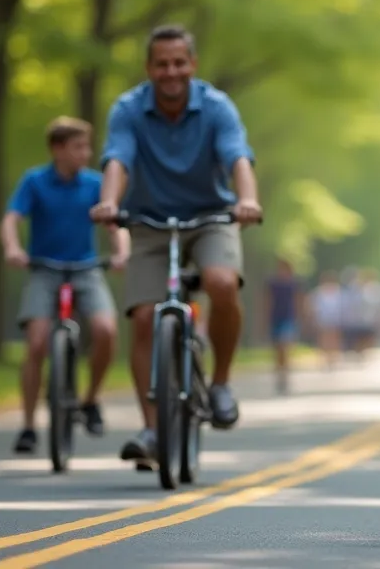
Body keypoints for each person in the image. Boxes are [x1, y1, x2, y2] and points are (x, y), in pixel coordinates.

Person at [89, 24, 263, 467]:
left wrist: (247, 200)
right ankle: (151, 428)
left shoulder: (216, 106)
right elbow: (117, 160)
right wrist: (109, 202)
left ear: (193, 65)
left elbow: (237, 157)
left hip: (211, 216)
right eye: (161, 64)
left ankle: (220, 383)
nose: (171, 72)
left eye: (179, 63)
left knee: (222, 283)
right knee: (145, 316)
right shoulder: (128, 109)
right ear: (149, 68)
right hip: (148, 219)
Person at [1, 117, 131, 454]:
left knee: (106, 330)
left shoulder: (94, 184)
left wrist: (120, 253)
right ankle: (29, 425)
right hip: (44, 269)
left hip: (86, 268)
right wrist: (13, 248)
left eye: (88, 146)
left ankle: (90, 400)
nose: (86, 154)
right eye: (78, 147)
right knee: (36, 342)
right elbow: (11, 219)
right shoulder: (34, 181)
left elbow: (115, 224)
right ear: (57, 149)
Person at [265, 258, 301, 395]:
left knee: (285, 347)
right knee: (278, 350)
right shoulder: (272, 283)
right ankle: (279, 374)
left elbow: (298, 300)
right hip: (276, 318)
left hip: (289, 319)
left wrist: (300, 317)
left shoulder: (294, 283)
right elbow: (267, 301)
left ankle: (285, 375)